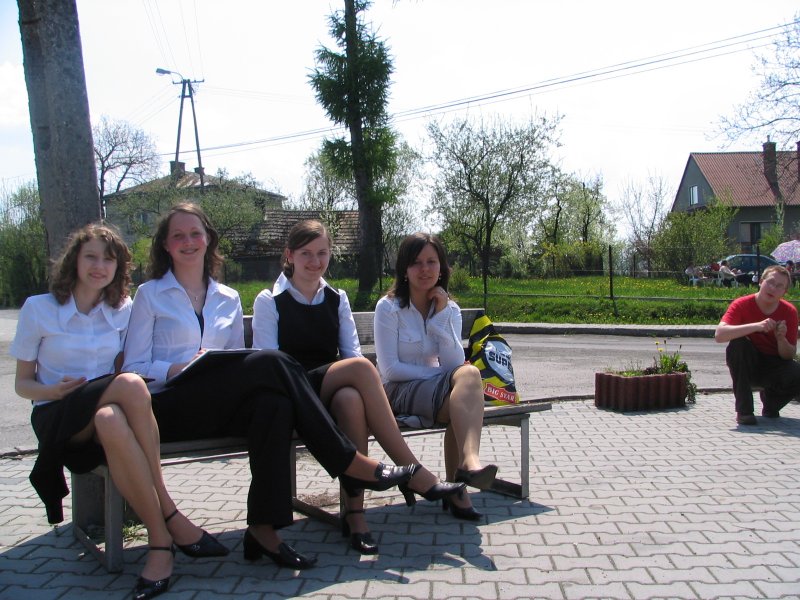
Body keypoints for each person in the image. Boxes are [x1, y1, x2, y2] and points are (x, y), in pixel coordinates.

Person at [123, 203, 415, 571]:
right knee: (273, 361)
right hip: (170, 406)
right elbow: (133, 369)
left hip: (219, 405)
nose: (188, 241)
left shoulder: (227, 298)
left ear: (208, 239)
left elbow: (236, 365)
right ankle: (348, 461)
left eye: (195, 233)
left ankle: (263, 529)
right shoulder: (149, 294)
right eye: (178, 236)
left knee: (274, 404)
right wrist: (178, 367)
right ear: (165, 245)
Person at [10, 223, 227, 600]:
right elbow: (22, 385)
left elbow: (129, 363)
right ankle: (170, 512)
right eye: (91, 257)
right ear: (74, 261)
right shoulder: (40, 308)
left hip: (102, 414)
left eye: (108, 260)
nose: (100, 266)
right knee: (130, 384)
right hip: (58, 414)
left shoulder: (123, 310)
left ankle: (160, 543)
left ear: (118, 267)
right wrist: (54, 390)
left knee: (111, 416)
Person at [251, 220, 466, 552]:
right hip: (289, 390)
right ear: (289, 255)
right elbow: (269, 365)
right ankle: (415, 473)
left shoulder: (336, 298)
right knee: (362, 368)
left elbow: (350, 353)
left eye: (322, 253)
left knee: (351, 398)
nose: (315, 261)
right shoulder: (269, 300)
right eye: (306, 253)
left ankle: (355, 514)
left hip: (328, 389)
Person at [374, 232, 499, 520]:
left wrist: (440, 316)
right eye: (416, 263)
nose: (425, 269)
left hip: (436, 391)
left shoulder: (450, 309)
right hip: (396, 391)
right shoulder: (389, 308)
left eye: (431, 262)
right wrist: (436, 375)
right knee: (462, 394)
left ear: (442, 267)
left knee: (468, 378)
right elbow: (390, 369)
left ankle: (468, 466)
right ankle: (460, 487)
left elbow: (455, 364)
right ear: (404, 269)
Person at [714, 265, 800, 425]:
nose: (773, 288)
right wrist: (757, 326)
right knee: (738, 344)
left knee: (797, 371)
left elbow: (789, 355)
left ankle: (771, 404)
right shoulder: (741, 304)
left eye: (779, 286)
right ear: (761, 281)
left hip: (774, 365)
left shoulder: (789, 312)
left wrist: (781, 339)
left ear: (784, 292)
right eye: (770, 282)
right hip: (748, 364)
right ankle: (744, 411)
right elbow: (719, 335)